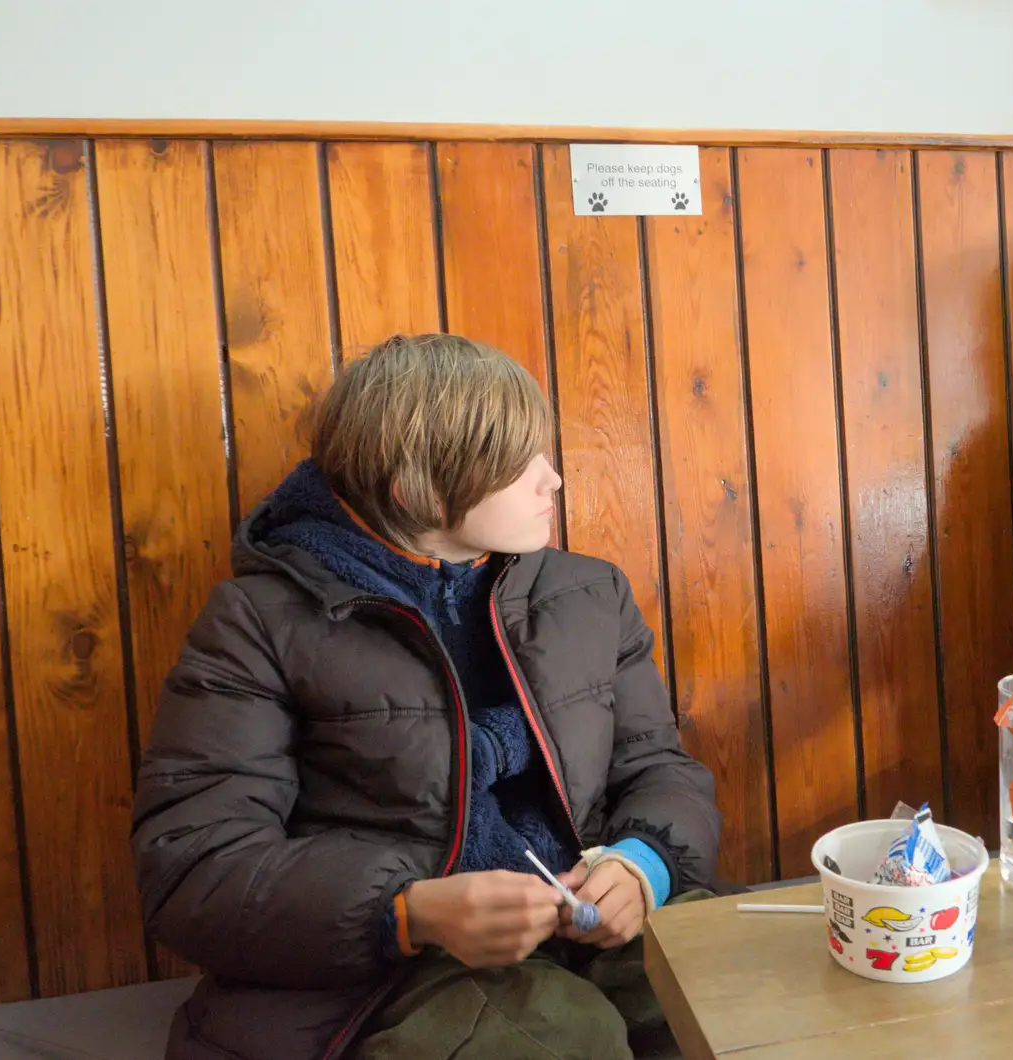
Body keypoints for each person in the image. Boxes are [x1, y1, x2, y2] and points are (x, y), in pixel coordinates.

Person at [132, 334, 720, 1060]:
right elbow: (194, 865)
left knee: (740, 975)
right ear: (420, 492)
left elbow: (661, 769)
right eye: (518, 463)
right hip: (385, 970)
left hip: (582, 923)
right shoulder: (258, 621)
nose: (554, 479)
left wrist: (641, 864)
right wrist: (407, 912)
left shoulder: (588, 594)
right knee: (559, 1032)